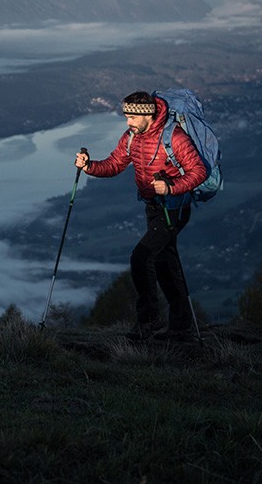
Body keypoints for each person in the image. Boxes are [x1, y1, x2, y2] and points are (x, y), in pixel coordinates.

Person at [74, 90, 207, 339]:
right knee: (163, 262)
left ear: (146, 115)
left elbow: (198, 171)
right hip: (153, 206)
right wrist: (89, 166)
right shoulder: (131, 137)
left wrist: (170, 187)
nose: (128, 122)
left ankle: (149, 321)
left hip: (174, 208)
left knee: (141, 257)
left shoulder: (174, 137)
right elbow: (114, 164)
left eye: (132, 117)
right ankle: (180, 325)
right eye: (126, 117)